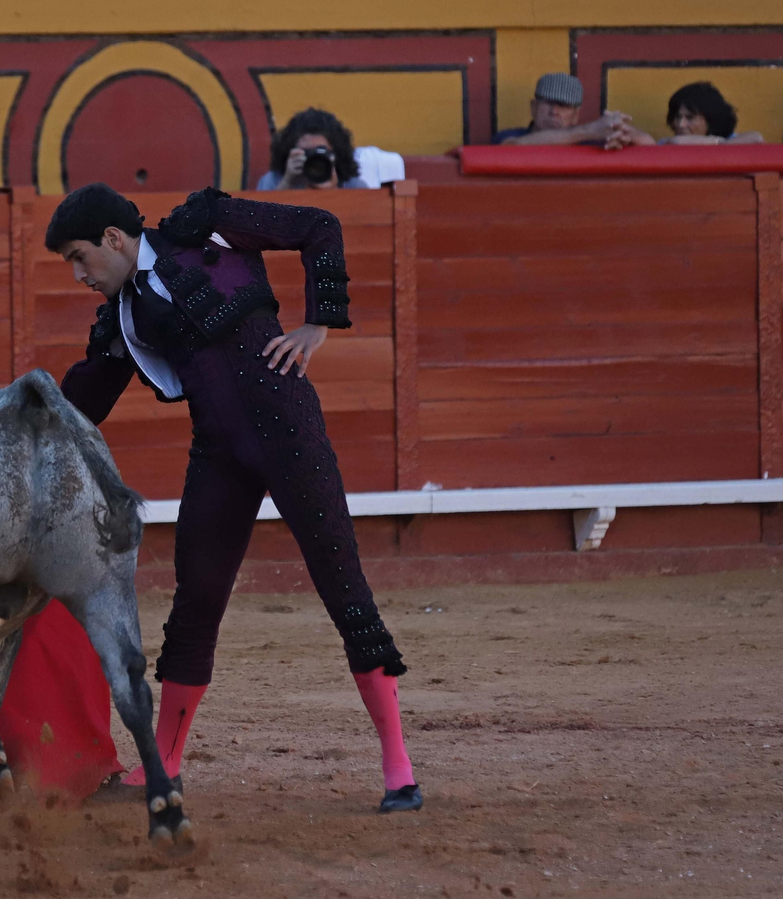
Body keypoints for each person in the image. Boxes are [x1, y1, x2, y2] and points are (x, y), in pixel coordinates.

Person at [48, 182, 422, 813]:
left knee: (343, 585)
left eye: (80, 258)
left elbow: (318, 225)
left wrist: (319, 322)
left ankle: (399, 768)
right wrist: (15, 422)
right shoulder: (121, 319)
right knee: (196, 600)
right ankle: (162, 766)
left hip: (289, 433)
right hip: (219, 454)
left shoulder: (207, 226)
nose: (80, 275)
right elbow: (82, 405)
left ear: (113, 239)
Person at [492, 73, 640, 148]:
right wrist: (590, 130)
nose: (555, 111)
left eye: (564, 106)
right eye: (549, 103)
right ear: (533, 107)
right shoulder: (510, 136)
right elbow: (512, 147)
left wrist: (618, 128)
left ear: (576, 115)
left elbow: (648, 143)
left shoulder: (589, 144)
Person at [627, 82, 762, 146]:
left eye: (690, 118)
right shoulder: (666, 144)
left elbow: (756, 137)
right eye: (677, 117)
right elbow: (675, 143)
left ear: (711, 118)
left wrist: (718, 143)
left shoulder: (732, 140)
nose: (680, 124)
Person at [255, 107, 360, 190]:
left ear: (336, 155)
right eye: (306, 153)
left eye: (321, 151)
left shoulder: (353, 186)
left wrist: (333, 191)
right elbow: (263, 216)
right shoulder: (272, 181)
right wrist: (287, 183)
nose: (314, 159)